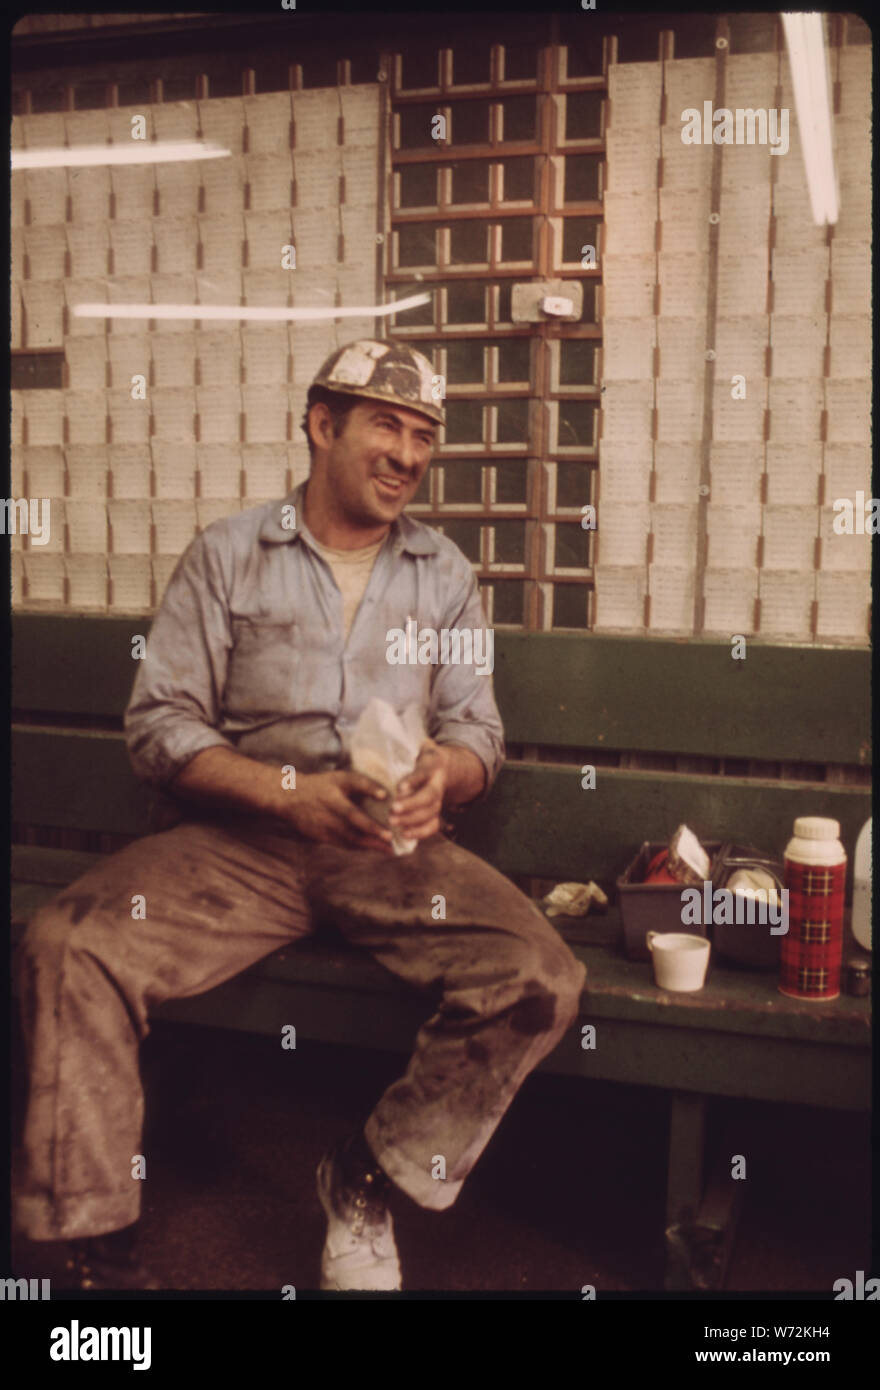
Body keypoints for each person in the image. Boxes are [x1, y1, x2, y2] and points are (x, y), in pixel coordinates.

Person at [14, 339, 587, 1292]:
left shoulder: (441, 574)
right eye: (386, 427)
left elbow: (478, 733)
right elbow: (160, 727)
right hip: (237, 847)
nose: (408, 454)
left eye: (423, 436)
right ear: (323, 426)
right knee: (67, 944)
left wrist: (443, 773)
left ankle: (364, 1176)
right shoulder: (231, 554)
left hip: (391, 848)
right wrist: (287, 793)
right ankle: (94, 1249)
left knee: (538, 978)